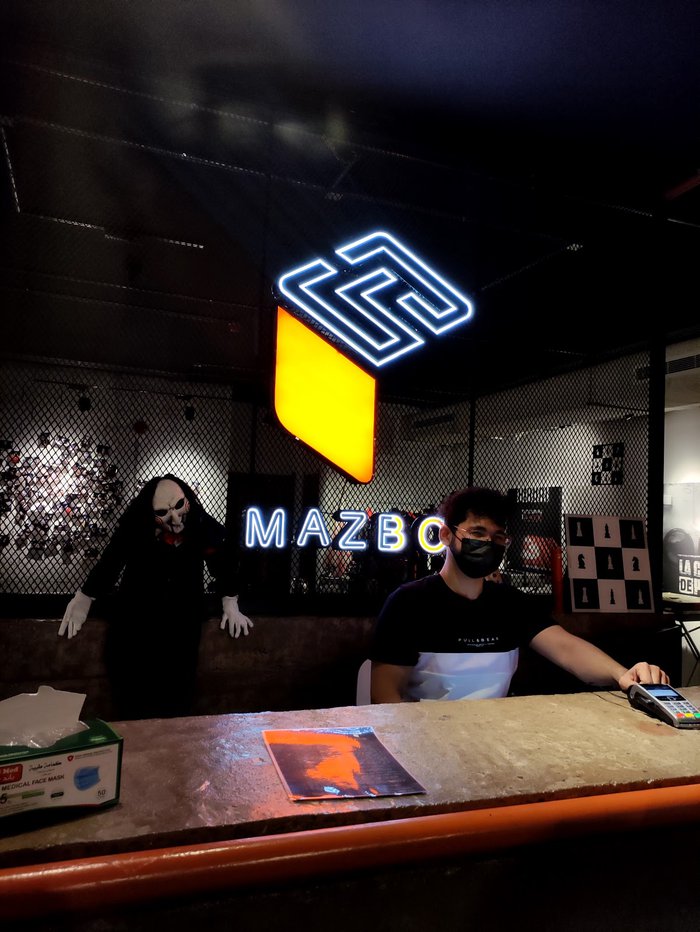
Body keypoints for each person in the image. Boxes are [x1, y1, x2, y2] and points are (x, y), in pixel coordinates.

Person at [369, 486, 668, 703]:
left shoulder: (510, 603)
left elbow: (567, 648)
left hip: (494, 742)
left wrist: (623, 675)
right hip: (427, 744)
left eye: (498, 536)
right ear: (446, 535)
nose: (488, 543)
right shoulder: (408, 603)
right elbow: (384, 694)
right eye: (477, 533)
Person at [58, 474, 253, 719]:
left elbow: (221, 563)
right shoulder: (137, 528)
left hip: (181, 635)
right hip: (137, 633)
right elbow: (112, 560)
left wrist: (230, 601)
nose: (175, 519)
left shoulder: (199, 524)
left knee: (175, 705)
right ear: (150, 514)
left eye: (179, 506)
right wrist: (85, 596)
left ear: (187, 501)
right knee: (136, 706)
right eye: (163, 512)